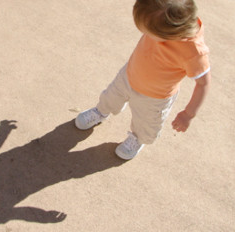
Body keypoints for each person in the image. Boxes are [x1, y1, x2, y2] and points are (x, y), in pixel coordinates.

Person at [75, 0, 211, 160]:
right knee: (110, 96)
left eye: (147, 32)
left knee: (146, 123)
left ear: (169, 36)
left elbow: (203, 83)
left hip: (155, 97)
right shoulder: (160, 20)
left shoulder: (194, 53)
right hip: (129, 74)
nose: (144, 33)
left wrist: (188, 114)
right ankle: (101, 111)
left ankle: (137, 139)